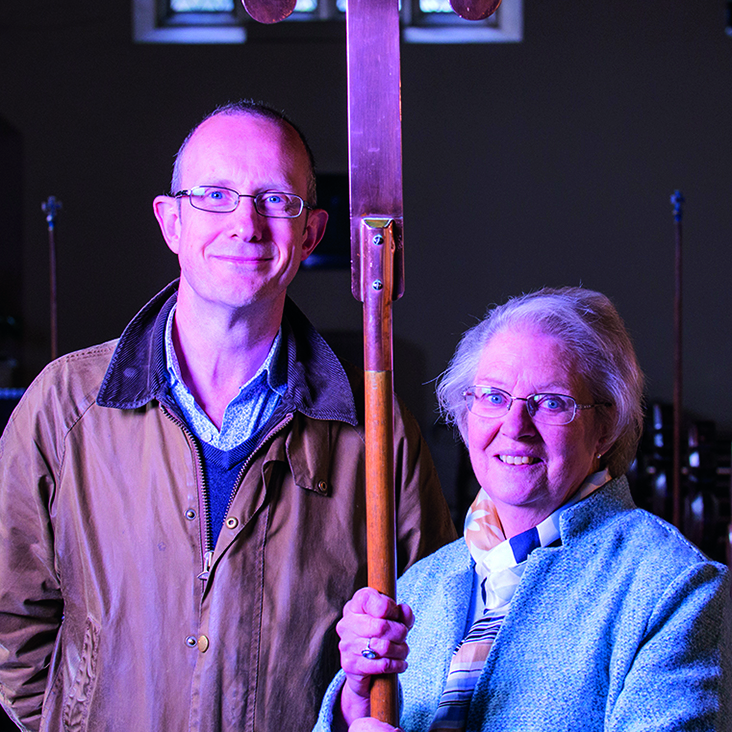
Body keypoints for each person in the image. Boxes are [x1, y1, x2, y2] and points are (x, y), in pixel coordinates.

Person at [0, 101, 457, 732]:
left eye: (275, 200)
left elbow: (432, 625)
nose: (246, 224)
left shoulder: (377, 431)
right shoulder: (67, 404)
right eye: (215, 195)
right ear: (171, 222)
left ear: (312, 233)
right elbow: (11, 617)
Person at [314, 287, 731, 732]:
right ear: (465, 412)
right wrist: (355, 705)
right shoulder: (421, 584)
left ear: (606, 427)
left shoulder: (673, 589)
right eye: (493, 397)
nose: (515, 427)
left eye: (552, 402)